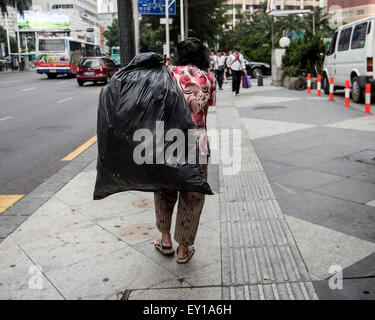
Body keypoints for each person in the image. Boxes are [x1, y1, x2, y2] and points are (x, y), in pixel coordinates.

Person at [153, 37, 216, 264]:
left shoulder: (166, 74)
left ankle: (166, 239)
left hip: (168, 140)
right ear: (203, 56)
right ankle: (184, 249)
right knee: (193, 194)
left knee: (164, 189)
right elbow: (208, 106)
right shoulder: (208, 78)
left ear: (178, 54)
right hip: (197, 142)